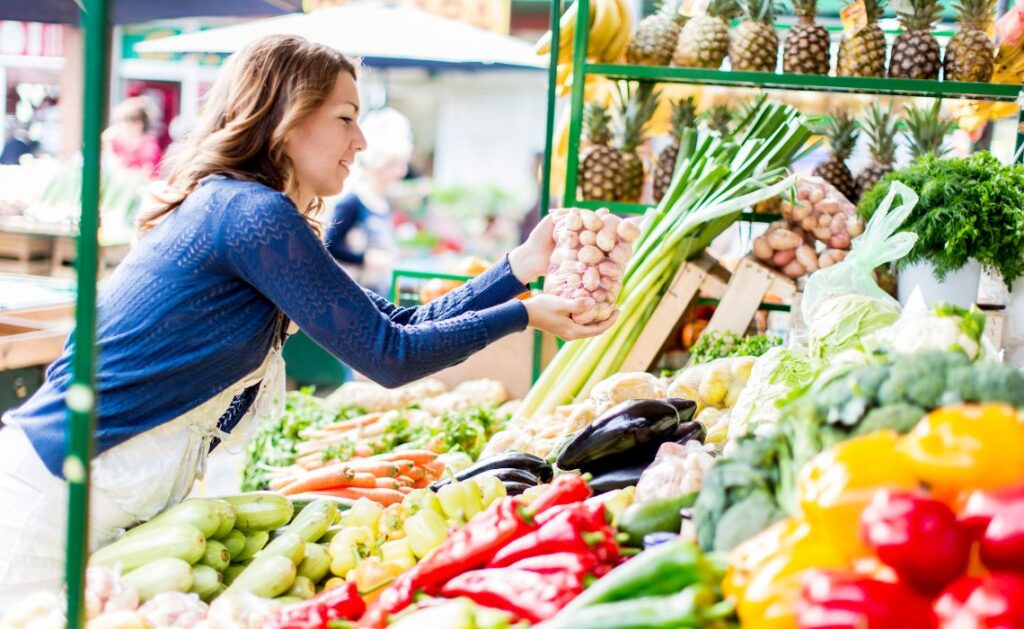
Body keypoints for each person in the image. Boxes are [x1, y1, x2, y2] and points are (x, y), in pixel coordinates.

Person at [0, 34, 616, 604]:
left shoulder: (250, 212)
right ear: (287, 120)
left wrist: (519, 265)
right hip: (51, 504)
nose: (362, 141)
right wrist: (523, 314)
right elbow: (390, 358)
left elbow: (398, 323)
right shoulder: (250, 214)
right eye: (345, 118)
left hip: (94, 498)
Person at [324, 107, 413, 296]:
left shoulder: (383, 202)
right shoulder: (352, 202)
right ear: (379, 164)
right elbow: (329, 245)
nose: (401, 172)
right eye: (395, 165)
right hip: (355, 295)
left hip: (379, 294)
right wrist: (365, 258)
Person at [102, 96, 163, 177]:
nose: (121, 128)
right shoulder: (116, 142)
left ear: (138, 124)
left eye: (124, 124)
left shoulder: (149, 146)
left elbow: (145, 174)